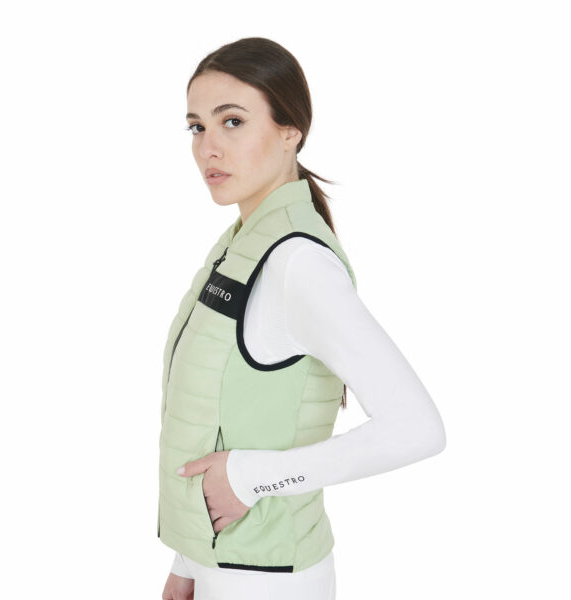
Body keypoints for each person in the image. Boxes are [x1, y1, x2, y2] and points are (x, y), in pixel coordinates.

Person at [158, 37, 446, 600]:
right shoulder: (241, 244)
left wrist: (249, 478)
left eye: (232, 122)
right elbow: (214, 415)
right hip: (223, 564)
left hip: (269, 578)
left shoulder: (297, 262)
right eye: (197, 127)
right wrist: (188, 560)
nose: (208, 148)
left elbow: (417, 428)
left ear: (290, 131)